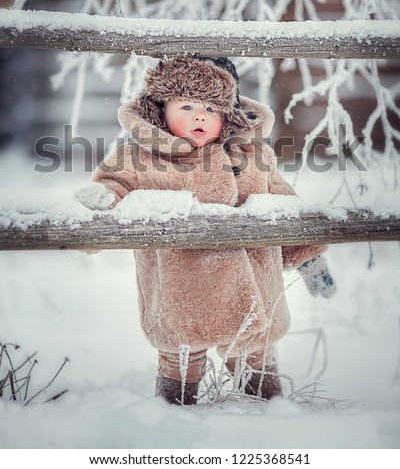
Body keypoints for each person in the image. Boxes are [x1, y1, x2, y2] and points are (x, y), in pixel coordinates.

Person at [76, 56, 336, 405]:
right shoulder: (140, 158)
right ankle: (173, 410)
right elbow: (114, 183)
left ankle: (270, 411)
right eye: (186, 106)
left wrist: (309, 257)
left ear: (228, 115)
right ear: (161, 110)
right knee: (179, 356)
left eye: (211, 109)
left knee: (256, 353)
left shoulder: (252, 157)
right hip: (180, 290)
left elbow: (283, 205)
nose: (199, 116)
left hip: (254, 289)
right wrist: (104, 198)